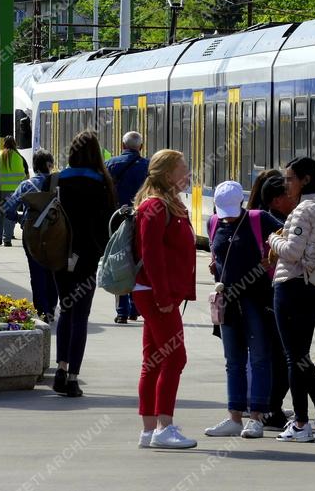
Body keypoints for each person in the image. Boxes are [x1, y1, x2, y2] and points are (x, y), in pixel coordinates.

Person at [267, 157, 315, 442]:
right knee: (301, 357)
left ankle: (300, 422)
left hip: (291, 285)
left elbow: (293, 252)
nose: (286, 185)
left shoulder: (302, 211)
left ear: (305, 180)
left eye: (290, 179)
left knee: (294, 358)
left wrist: (273, 240)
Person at [204, 180, 282, 440]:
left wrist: (271, 258)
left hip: (256, 299)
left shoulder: (259, 219)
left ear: (241, 202)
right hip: (227, 300)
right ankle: (234, 417)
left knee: (260, 357)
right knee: (233, 361)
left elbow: (288, 239)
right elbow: (218, 255)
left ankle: (257, 417)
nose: (227, 216)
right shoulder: (214, 223)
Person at [133, 149, 197, 449]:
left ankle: (149, 430)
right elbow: (151, 255)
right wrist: (162, 295)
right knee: (175, 357)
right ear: (168, 173)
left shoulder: (169, 204)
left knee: (155, 358)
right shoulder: (155, 206)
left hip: (161, 292)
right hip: (157, 294)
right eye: (183, 169)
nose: (188, 174)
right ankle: (164, 426)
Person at [51, 131, 116, 398]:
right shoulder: (101, 184)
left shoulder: (57, 180)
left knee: (65, 309)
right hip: (87, 257)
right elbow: (107, 226)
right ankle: (73, 377)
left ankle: (61, 369)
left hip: (59, 255)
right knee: (80, 315)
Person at [246, 168, 295, 429]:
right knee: (282, 355)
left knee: (270, 354)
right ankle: (271, 408)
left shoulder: (256, 218)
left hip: (262, 296)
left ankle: (266, 406)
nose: (294, 199)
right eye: (288, 195)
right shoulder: (276, 223)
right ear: (276, 200)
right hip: (273, 294)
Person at [3, 149, 58, 322]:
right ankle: (50, 307)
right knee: (53, 271)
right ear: (50, 166)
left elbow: (8, 209)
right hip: (55, 234)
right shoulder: (58, 185)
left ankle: (41, 310)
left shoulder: (26, 185)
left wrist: (20, 219)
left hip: (32, 234)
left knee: (37, 271)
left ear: (34, 166)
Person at [107, 131, 150, 324]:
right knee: (138, 261)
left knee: (119, 260)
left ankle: (122, 311)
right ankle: (135, 308)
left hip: (117, 219)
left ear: (122, 145)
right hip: (142, 218)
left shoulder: (110, 165)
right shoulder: (148, 166)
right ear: (140, 147)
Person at [0, 135, 29, 246]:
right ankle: (7, 240)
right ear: (15, 144)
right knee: (10, 214)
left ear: (3, 144)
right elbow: (27, 176)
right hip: (14, 193)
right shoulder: (20, 157)